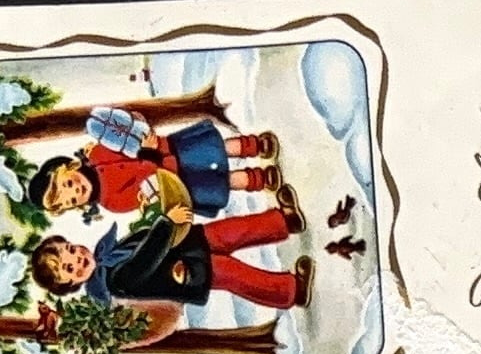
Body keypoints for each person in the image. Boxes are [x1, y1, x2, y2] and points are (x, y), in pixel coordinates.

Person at [30, 192, 310, 317]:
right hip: (183, 272)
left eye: (70, 250)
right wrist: (165, 223)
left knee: (230, 231)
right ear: (71, 284)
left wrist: (156, 218)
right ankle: (290, 291)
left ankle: (283, 221)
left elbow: (142, 238)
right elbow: (145, 259)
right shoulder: (112, 282)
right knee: (232, 273)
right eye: (69, 269)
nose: (77, 259)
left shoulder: (107, 252)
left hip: (185, 244)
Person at [27, 109, 287, 227]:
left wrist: (139, 131)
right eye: (72, 200)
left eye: (69, 184)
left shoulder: (97, 153)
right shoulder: (111, 202)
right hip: (171, 180)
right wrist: (149, 155)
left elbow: (124, 140)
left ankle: (252, 146)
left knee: (212, 148)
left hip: (169, 149)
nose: (77, 191)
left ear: (69, 167)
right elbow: (142, 190)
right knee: (218, 182)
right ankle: (257, 179)